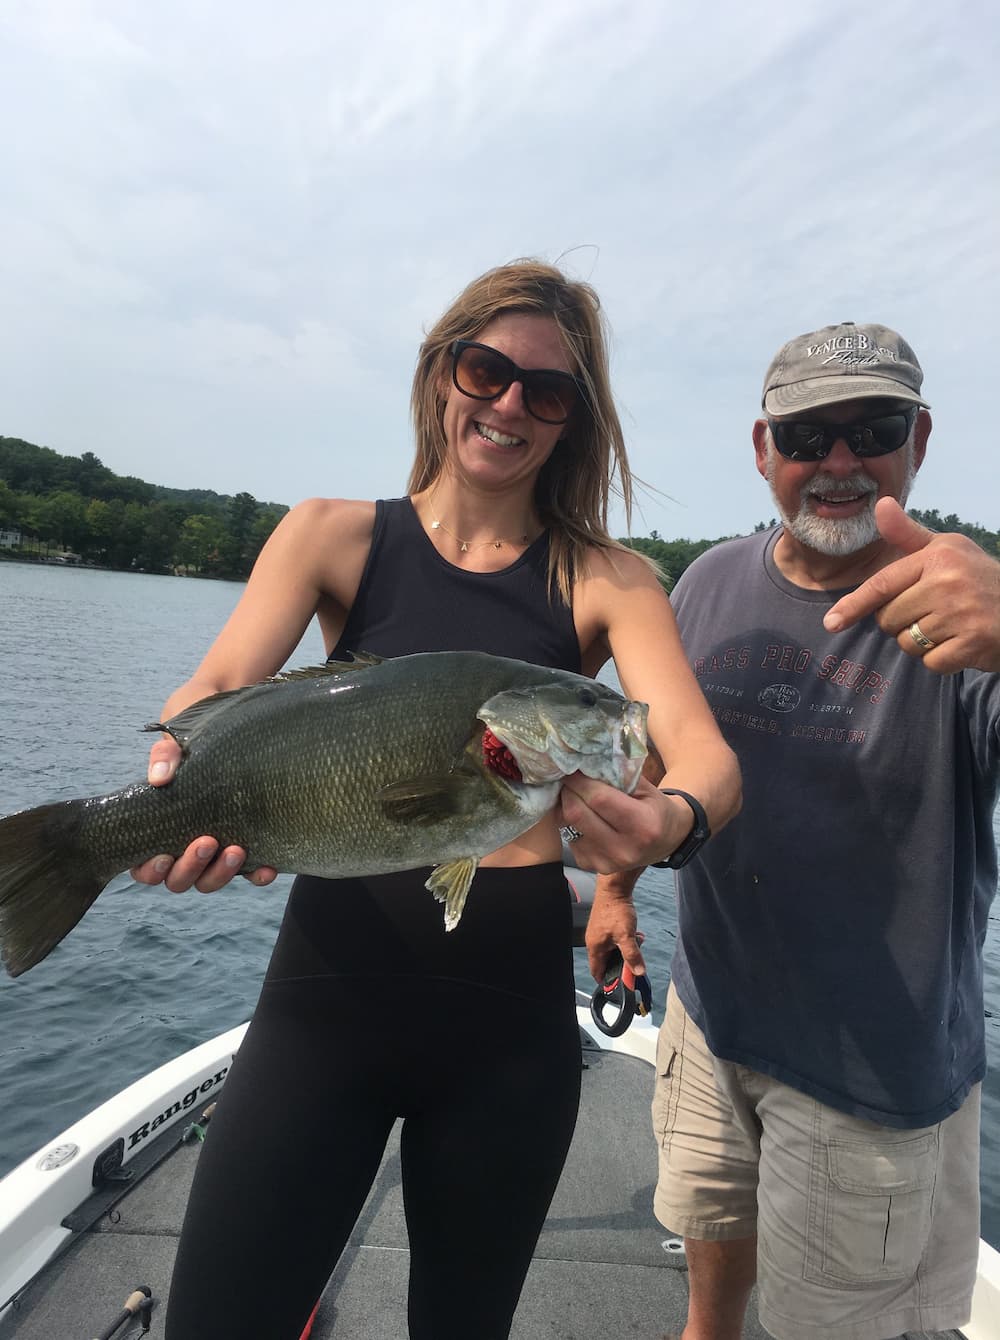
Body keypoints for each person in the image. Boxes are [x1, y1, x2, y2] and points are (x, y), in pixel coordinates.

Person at [131, 259, 741, 1340]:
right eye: (486, 369)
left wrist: (666, 820)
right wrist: (175, 788)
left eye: (544, 391)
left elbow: (698, 751)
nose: (508, 404)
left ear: (572, 420)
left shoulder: (609, 578)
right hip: (325, 993)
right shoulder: (331, 534)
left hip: (506, 1028)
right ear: (441, 374)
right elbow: (216, 690)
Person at [589, 320, 1000, 1340]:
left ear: (921, 438)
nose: (840, 462)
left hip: (871, 1074)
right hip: (710, 1010)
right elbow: (655, 760)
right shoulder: (705, 583)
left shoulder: (968, 609)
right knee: (710, 1240)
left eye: (872, 429)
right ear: (763, 448)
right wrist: (608, 895)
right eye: (809, 436)